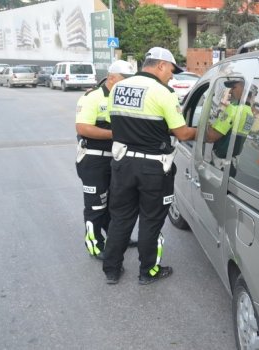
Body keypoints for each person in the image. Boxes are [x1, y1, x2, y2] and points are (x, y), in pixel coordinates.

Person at [103, 47, 197, 285]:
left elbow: (121, 123)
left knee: (121, 218)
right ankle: (148, 271)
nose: (172, 77)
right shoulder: (163, 92)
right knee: (151, 220)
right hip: (153, 168)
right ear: (161, 65)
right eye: (172, 71)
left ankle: (112, 270)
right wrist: (208, 132)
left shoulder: (117, 88)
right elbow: (183, 133)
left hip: (122, 164)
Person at [75, 60, 136, 261]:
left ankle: (116, 238)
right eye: (124, 79)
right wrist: (117, 134)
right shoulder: (93, 97)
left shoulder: (125, 98)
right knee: (95, 207)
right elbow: (83, 128)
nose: (128, 83)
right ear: (111, 77)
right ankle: (94, 245)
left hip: (117, 160)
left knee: (114, 205)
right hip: (94, 161)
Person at [206, 80, 255, 168]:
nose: (231, 91)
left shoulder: (234, 108)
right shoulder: (250, 113)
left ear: (245, 89)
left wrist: (203, 127)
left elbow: (211, 137)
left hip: (219, 163)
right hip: (231, 163)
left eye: (234, 87)